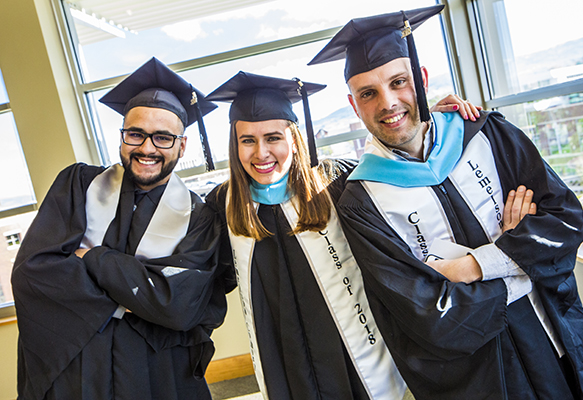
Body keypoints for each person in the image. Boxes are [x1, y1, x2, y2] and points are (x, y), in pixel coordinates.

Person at [309, 4, 583, 400]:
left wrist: (471, 267)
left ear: (422, 79)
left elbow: (563, 220)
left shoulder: (486, 134)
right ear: (354, 104)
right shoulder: (361, 202)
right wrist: (522, 258)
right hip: (480, 376)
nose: (388, 102)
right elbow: (422, 312)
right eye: (369, 93)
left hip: (555, 338)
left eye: (399, 82)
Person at [202, 71, 509, 399]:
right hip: (283, 361)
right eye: (247, 140)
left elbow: (403, 173)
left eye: (273, 137)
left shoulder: (338, 182)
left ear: (294, 138)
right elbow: (212, 278)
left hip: (357, 354)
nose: (261, 153)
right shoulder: (224, 205)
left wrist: (431, 122)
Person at [11, 57, 235, 400]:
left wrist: (93, 258)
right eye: (136, 134)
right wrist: (138, 293)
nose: (147, 148)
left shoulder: (199, 218)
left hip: (157, 375)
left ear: (183, 145)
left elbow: (178, 305)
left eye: (163, 137)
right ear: (122, 136)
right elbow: (35, 273)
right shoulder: (77, 184)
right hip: (76, 370)